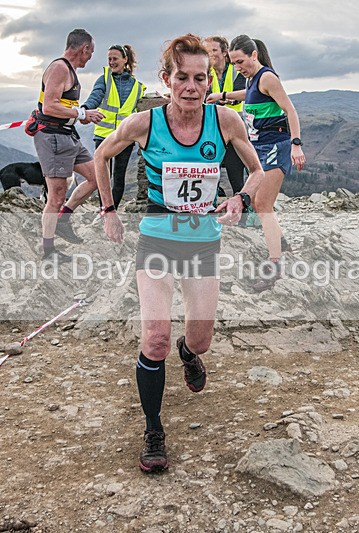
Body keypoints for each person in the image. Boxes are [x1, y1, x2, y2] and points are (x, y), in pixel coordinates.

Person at [94, 34, 264, 473]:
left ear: (210, 80)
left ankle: (190, 355)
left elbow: (258, 171)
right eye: (182, 78)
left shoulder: (225, 121)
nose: (192, 87)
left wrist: (240, 199)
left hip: (203, 243)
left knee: (200, 337)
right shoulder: (144, 123)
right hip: (156, 239)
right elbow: (100, 154)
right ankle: (153, 429)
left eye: (200, 78)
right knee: (154, 338)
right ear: (167, 79)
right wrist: (109, 209)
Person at [228, 35, 305, 292]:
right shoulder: (252, 79)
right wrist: (224, 95)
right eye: (233, 64)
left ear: (253, 55)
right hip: (259, 147)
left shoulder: (268, 77)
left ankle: (275, 267)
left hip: (276, 146)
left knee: (262, 204)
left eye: (240, 61)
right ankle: (282, 246)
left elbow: (290, 110)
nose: (238, 67)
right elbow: (249, 94)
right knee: (262, 203)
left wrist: (296, 144)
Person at [32, 28, 105, 258]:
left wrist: (80, 115)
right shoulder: (59, 68)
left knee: (98, 178)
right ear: (84, 48)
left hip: (67, 135)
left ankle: (64, 217)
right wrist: (82, 115)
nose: (91, 57)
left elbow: (61, 106)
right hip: (52, 137)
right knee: (56, 195)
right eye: (91, 52)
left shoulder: (68, 70)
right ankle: (48, 250)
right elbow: (49, 107)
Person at [81, 44, 146, 209]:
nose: (111, 62)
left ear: (125, 60)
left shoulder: (138, 87)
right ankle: (105, 208)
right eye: (109, 59)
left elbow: (141, 109)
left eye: (115, 59)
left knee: (119, 176)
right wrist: (85, 109)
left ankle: (112, 210)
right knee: (103, 176)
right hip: (103, 134)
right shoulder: (104, 78)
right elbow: (95, 96)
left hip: (125, 137)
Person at [203, 36, 248, 197]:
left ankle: (243, 206)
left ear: (224, 52)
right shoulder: (206, 73)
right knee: (210, 164)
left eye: (214, 50)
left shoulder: (236, 70)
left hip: (235, 125)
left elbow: (242, 93)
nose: (210, 54)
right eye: (207, 51)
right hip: (212, 125)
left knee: (235, 167)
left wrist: (220, 97)